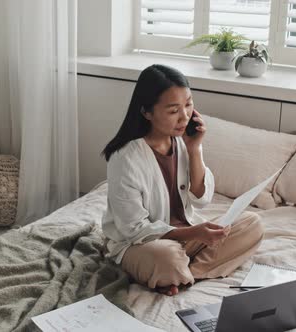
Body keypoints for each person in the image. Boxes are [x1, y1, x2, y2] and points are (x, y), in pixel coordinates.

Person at [101, 64, 264, 296]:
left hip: (186, 236)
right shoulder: (125, 158)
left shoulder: (183, 140)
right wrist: (195, 233)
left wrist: (195, 148)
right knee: (166, 258)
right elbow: (134, 229)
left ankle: (184, 275)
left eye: (188, 104)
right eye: (173, 110)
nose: (185, 116)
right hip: (141, 243)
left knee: (252, 223)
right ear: (147, 112)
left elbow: (201, 198)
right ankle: (175, 270)